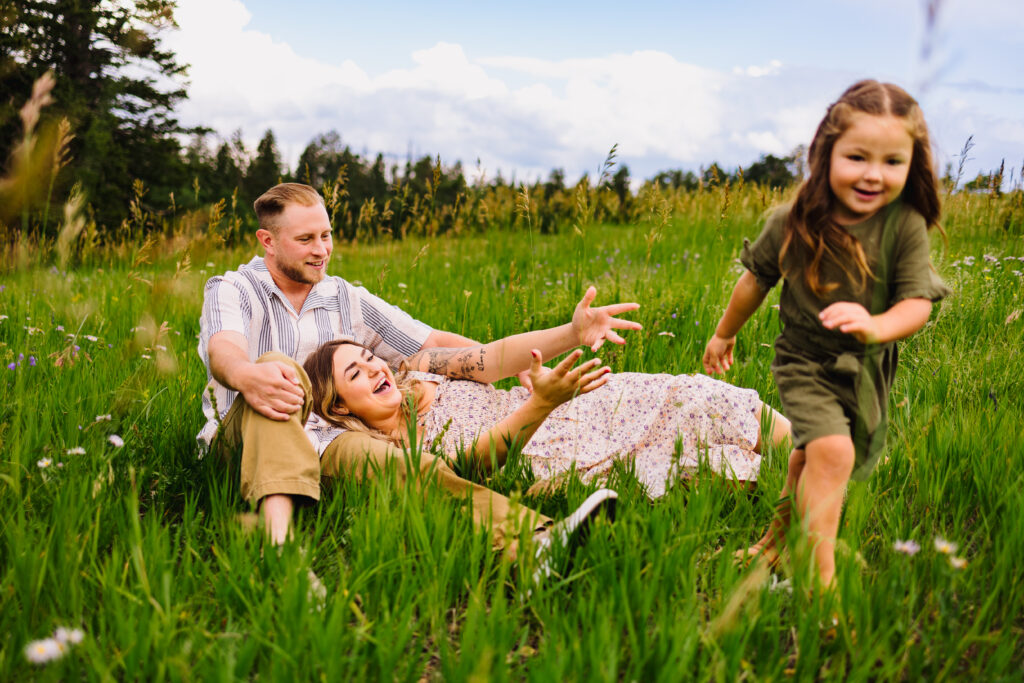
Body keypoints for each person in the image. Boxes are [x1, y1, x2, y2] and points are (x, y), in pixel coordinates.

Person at [197, 183, 633, 553]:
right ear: (267, 241)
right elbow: (225, 351)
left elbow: (435, 344)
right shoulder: (234, 289)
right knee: (278, 370)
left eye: (326, 235)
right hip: (249, 439)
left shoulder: (346, 298)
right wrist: (248, 376)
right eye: (306, 239)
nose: (322, 250)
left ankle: (536, 545)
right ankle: (280, 548)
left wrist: (566, 336)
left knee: (410, 467)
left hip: (330, 444)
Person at [702, 80, 951, 587]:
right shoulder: (794, 220)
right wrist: (724, 334)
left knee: (810, 453)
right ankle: (821, 585)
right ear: (827, 152)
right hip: (805, 359)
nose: (873, 175)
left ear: (913, 163)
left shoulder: (904, 225)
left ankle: (773, 545)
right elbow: (756, 280)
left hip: (866, 367)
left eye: (892, 162)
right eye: (857, 157)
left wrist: (878, 325)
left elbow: (917, 304)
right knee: (832, 453)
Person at [302, 286, 791, 502]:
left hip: (566, 404)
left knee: (689, 394)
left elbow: (495, 358)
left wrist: (572, 332)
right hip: (544, 443)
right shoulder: (387, 452)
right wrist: (542, 404)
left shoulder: (418, 368)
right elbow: (473, 466)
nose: (375, 369)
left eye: (370, 359)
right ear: (340, 405)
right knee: (678, 467)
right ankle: (797, 483)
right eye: (357, 373)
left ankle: (827, 457)